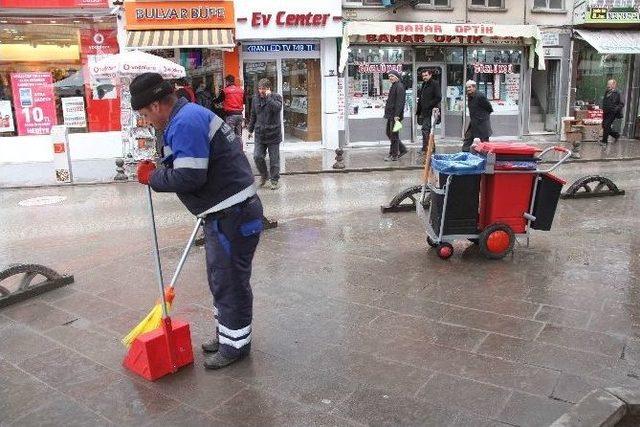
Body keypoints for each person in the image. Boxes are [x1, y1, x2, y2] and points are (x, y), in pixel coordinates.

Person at [131, 72, 263, 370]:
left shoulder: (186, 121)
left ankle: (235, 346)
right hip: (226, 213)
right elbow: (189, 163)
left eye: (144, 114)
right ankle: (228, 335)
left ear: (155, 105)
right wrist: (162, 165)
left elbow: (190, 176)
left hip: (233, 215)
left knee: (230, 283)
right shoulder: (185, 116)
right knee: (222, 280)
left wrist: (153, 177)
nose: (147, 121)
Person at [247, 78, 283, 190]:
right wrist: (250, 129)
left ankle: (274, 180)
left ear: (268, 89)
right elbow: (253, 114)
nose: (261, 91)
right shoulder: (255, 99)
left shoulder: (276, 97)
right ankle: (264, 175)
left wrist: (269, 97)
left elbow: (277, 109)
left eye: (263, 88)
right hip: (260, 133)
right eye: (259, 88)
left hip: (273, 134)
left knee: (274, 160)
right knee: (257, 156)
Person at [384, 70, 408, 161]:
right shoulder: (394, 86)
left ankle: (394, 155)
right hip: (391, 115)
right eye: (389, 76)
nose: (390, 78)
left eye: (392, 76)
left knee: (393, 135)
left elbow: (400, 102)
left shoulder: (399, 86)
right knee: (390, 133)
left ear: (397, 77)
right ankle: (402, 149)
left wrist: (397, 115)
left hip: (395, 116)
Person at [416, 69, 442, 154]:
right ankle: (430, 148)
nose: (424, 77)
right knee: (427, 130)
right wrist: (419, 110)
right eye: (423, 76)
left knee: (425, 129)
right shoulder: (424, 84)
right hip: (424, 111)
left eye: (426, 75)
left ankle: (427, 149)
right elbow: (422, 97)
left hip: (431, 111)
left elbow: (438, 97)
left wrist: (428, 105)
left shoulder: (434, 84)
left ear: (430, 75)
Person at [462, 80, 493, 152]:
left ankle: (487, 156)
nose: (468, 89)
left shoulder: (480, 96)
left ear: (474, 87)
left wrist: (482, 116)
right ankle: (464, 154)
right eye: (467, 88)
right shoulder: (470, 96)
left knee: (484, 141)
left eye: (469, 87)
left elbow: (489, 108)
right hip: (474, 122)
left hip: (482, 122)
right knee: (468, 139)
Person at [214, 75, 245, 142]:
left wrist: (213, 101)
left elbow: (218, 100)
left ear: (227, 81)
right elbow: (244, 101)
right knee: (239, 134)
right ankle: (240, 150)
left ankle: (232, 151)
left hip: (230, 115)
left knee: (230, 135)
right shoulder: (241, 90)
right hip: (240, 115)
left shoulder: (225, 91)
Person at [602, 79, 624, 145]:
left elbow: (622, 104)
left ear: (614, 85)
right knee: (604, 125)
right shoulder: (607, 91)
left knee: (606, 125)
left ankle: (604, 141)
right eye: (608, 84)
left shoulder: (618, 92)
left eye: (609, 84)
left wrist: (615, 109)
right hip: (606, 111)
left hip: (612, 112)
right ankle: (616, 135)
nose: (608, 85)